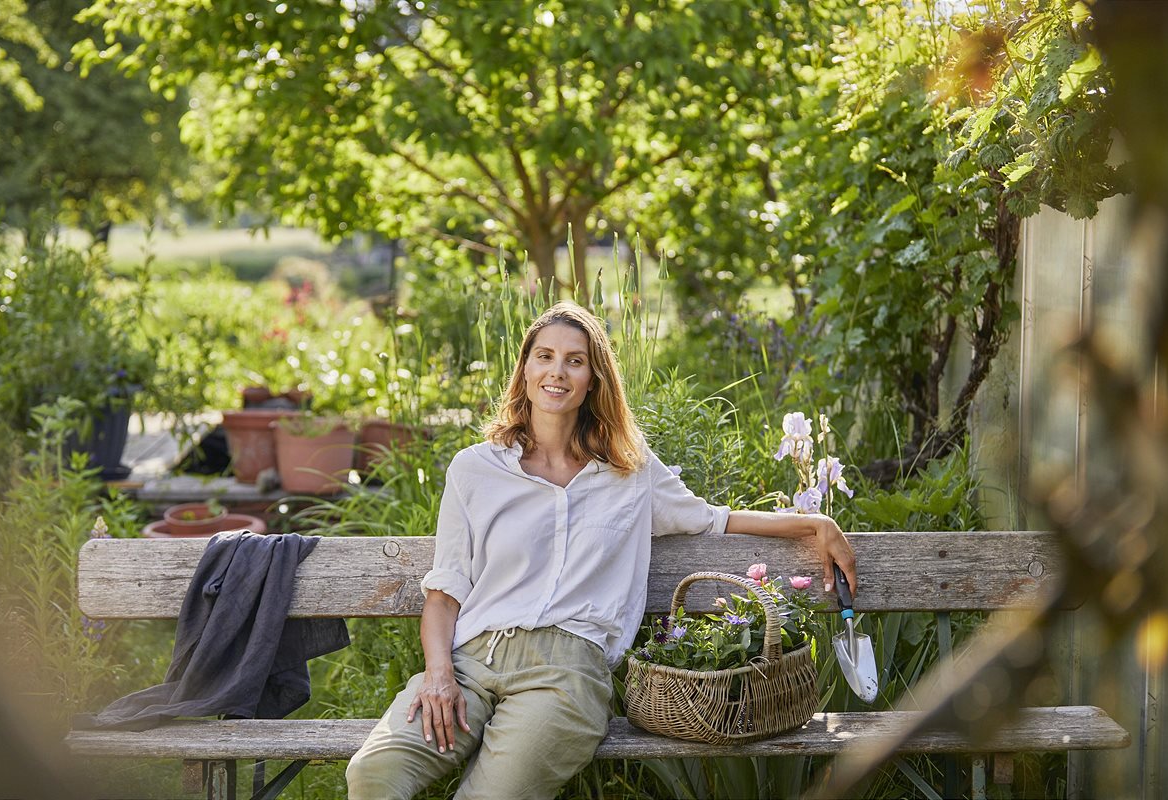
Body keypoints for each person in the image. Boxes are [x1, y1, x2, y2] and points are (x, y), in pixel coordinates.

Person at [346, 301, 856, 800]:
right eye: (544, 356)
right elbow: (445, 591)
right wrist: (438, 677)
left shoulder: (629, 473)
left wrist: (814, 522)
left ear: (594, 378)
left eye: (575, 360)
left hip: (566, 675)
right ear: (524, 367)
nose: (557, 372)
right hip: (470, 663)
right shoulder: (476, 469)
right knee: (373, 774)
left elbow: (713, 518)